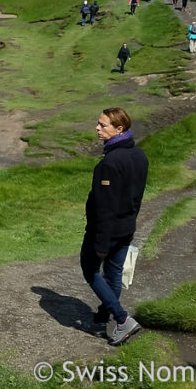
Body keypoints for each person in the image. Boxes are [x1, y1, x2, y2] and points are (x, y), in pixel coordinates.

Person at [81, 107, 148, 345]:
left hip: (106, 231)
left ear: (120, 129)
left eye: (103, 125)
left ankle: (122, 319)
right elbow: (137, 196)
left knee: (90, 269)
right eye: (98, 124)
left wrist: (100, 243)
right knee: (113, 274)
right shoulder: (140, 155)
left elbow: (105, 207)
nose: (97, 129)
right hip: (126, 227)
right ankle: (100, 319)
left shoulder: (109, 163)